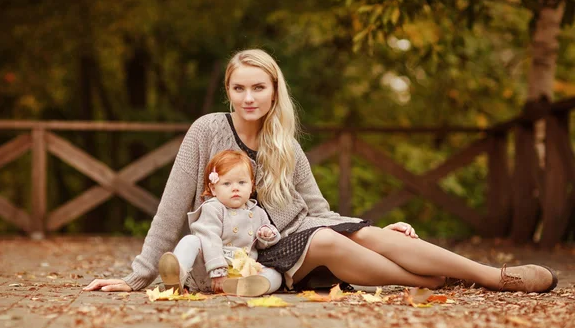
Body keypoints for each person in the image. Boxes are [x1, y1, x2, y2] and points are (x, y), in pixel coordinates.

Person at [84, 48, 558, 295]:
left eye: (259, 88)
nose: (249, 98)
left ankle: (494, 277)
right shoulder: (207, 130)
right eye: (239, 88)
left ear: (274, 92)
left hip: (291, 243)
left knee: (353, 233)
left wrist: (366, 228)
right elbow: (171, 205)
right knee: (329, 239)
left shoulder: (284, 143)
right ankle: (428, 280)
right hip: (233, 261)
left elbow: (317, 211)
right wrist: (138, 276)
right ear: (228, 92)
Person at [158, 149, 282, 296]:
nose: (235, 188)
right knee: (190, 240)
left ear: (251, 186)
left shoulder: (258, 212)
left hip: (240, 270)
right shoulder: (213, 208)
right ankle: (177, 277)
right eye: (227, 183)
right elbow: (210, 238)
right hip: (208, 270)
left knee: (276, 275)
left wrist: (267, 234)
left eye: (242, 182)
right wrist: (217, 270)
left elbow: (261, 244)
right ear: (213, 189)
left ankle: (246, 287)